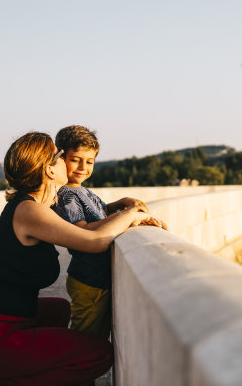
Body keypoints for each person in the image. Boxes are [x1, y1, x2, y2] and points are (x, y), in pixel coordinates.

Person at [0, 131, 166, 386]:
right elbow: (95, 241)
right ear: (50, 170)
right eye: (61, 156)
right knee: (98, 355)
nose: (67, 161)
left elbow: (88, 227)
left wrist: (120, 209)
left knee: (59, 309)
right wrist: (132, 214)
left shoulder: (39, 206)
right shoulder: (28, 210)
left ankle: (14, 368)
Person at [53, 125, 155, 339]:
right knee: (85, 339)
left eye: (89, 162)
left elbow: (101, 212)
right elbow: (81, 232)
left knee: (95, 336)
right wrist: (128, 216)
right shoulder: (66, 195)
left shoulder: (80, 189)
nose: (83, 167)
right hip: (88, 281)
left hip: (95, 279)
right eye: (75, 159)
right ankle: (72, 370)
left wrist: (122, 203)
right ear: (60, 158)